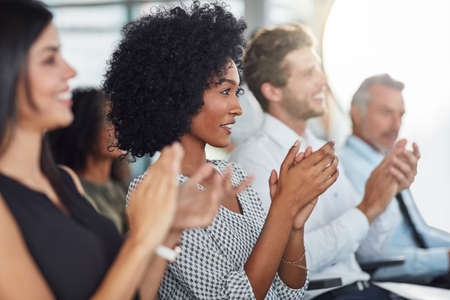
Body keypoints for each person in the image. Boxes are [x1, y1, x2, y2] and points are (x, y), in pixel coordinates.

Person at [103, 2, 339, 299]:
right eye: (225, 91)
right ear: (179, 94)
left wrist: (294, 224)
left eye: (236, 92)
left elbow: (288, 293)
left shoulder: (233, 176)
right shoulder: (156, 190)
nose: (237, 107)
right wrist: (284, 206)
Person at [0, 1, 222, 299]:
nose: (70, 71)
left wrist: (169, 227)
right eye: (49, 59)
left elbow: (135, 293)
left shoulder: (65, 181)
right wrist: (141, 238)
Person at [230, 24, 420, 299]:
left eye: (318, 68)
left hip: (363, 288)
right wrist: (366, 209)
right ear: (273, 91)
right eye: (309, 73)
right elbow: (287, 263)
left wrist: (387, 192)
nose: (323, 80)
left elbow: (370, 251)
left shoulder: (323, 150)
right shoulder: (252, 161)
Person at [340, 73, 450, 286]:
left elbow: (420, 233)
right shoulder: (343, 168)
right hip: (401, 279)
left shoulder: (390, 160)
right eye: (386, 112)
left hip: (427, 268)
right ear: (356, 113)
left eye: (401, 114)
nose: (396, 124)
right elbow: (371, 257)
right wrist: (443, 259)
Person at [49, 87, 130, 234]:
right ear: (84, 126)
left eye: (121, 119)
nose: (119, 128)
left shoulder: (127, 188)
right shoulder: (67, 192)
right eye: (109, 120)